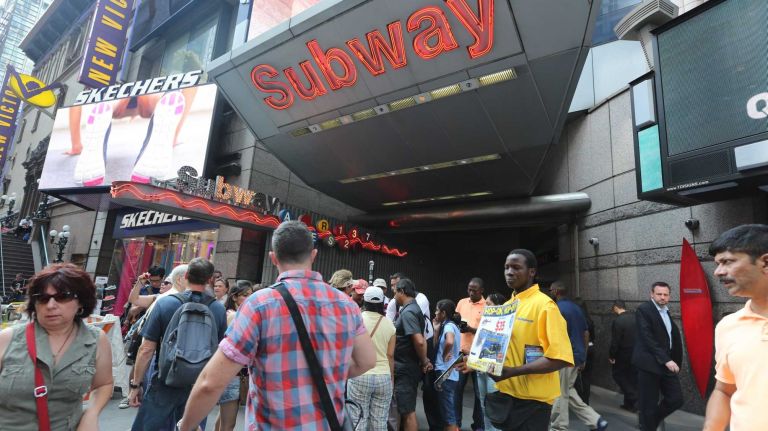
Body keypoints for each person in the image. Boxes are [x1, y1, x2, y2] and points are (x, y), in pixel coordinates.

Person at [176, 221, 376, 430]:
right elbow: (367, 361)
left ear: (273, 258)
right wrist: (328, 373)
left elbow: (210, 383)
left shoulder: (259, 304)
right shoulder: (347, 305)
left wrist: (186, 426)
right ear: (314, 255)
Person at [459, 249, 573, 431]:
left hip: (533, 402)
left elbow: (560, 357)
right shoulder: (506, 306)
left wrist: (512, 371)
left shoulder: (545, 306)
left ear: (532, 272)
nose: (509, 272)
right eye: (506, 267)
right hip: (505, 396)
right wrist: (474, 361)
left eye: (516, 267)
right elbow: (500, 348)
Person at [0, 263, 113, 430]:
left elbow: (104, 384)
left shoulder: (96, 340)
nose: (51, 305)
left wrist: (92, 413)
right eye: (43, 298)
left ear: (81, 302)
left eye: (62, 296)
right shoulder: (8, 339)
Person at [128, 258, 227, 431]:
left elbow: (146, 349)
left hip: (165, 379)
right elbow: (220, 351)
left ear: (186, 275)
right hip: (198, 383)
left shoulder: (165, 303)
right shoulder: (218, 309)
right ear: (210, 279)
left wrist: (135, 385)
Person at [703, 224, 768, 431]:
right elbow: (724, 390)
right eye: (717, 263)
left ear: (765, 262)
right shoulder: (727, 327)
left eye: (727, 262)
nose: (717, 272)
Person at [548, 281, 608, 431]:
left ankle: (559, 427)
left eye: (550, 290)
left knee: (560, 392)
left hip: (564, 357)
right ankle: (596, 421)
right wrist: (584, 357)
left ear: (555, 291)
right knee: (568, 390)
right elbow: (585, 333)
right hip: (577, 355)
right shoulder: (577, 308)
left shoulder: (556, 309)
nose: (549, 292)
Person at [633, 281, 683, 431]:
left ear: (669, 296)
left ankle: (650, 422)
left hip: (666, 364)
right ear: (652, 294)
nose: (662, 297)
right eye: (659, 294)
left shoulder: (666, 311)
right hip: (649, 364)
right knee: (648, 403)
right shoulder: (644, 309)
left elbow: (669, 338)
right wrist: (667, 360)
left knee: (676, 399)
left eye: (665, 294)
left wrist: (674, 360)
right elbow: (647, 338)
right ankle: (648, 425)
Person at [347, 285, 396, 431]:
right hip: (383, 377)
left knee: (358, 419)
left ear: (364, 301)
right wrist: (391, 378)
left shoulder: (356, 320)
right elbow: (390, 355)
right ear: (382, 303)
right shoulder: (390, 325)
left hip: (360, 375)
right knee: (380, 422)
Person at [393, 277, 433, 431]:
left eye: (395, 292)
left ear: (402, 291)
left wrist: (424, 361)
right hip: (407, 367)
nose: (395, 296)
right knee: (405, 410)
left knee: (408, 411)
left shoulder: (409, 312)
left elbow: (420, 341)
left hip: (406, 368)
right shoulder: (414, 309)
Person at [215, 280, 254, 431]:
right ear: (234, 297)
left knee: (223, 418)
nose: (249, 298)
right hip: (233, 375)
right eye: (245, 295)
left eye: (251, 294)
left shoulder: (239, 314)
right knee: (228, 424)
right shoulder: (234, 315)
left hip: (238, 373)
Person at [455, 277, 487, 431]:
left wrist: (471, 329)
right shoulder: (462, 302)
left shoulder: (488, 305)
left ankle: (479, 426)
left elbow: (488, 332)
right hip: (461, 353)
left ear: (481, 291)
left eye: (474, 290)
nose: (471, 292)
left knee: (479, 393)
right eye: (469, 289)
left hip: (478, 355)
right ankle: (456, 424)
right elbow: (455, 321)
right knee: (457, 390)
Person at [476, 293, 506, 431]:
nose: (485, 307)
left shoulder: (505, 324)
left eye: (489, 304)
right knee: (483, 404)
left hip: (494, 370)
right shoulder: (484, 321)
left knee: (494, 406)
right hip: (480, 368)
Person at [433, 299, 462, 431]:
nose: (435, 313)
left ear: (443, 313)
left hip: (445, 373)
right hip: (451, 374)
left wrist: (445, 354)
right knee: (447, 411)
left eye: (437, 310)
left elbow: (449, 341)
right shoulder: (452, 325)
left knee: (448, 414)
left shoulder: (449, 326)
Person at [609, 299, 637, 412]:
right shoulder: (635, 317)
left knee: (618, 375)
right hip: (636, 353)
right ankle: (629, 404)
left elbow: (615, 341)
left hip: (623, 354)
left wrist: (612, 355)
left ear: (616, 307)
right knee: (631, 378)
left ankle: (634, 397)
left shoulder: (618, 321)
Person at [573, 297, 595, 404]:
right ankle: (585, 401)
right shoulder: (589, 319)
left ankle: (578, 401)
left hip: (579, 349)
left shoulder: (576, 319)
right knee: (587, 378)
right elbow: (593, 336)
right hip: (591, 348)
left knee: (574, 377)